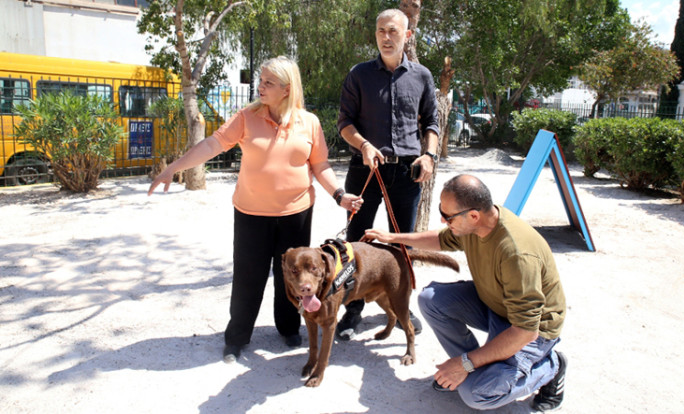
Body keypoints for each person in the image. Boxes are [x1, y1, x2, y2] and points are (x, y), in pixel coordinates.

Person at [148, 56, 363, 363]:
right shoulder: (246, 117)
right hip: (251, 214)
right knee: (248, 276)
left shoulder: (309, 123)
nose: (260, 87)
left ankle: (289, 328)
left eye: (267, 83)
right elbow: (212, 145)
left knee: (291, 274)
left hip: (296, 213)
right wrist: (174, 167)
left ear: (287, 89)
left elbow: (320, 165)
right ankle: (236, 338)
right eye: (260, 81)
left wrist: (339, 194)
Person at [362, 174, 567, 411]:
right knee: (431, 300)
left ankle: (551, 367)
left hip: (531, 330)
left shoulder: (516, 254)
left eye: (448, 216)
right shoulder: (475, 225)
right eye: (442, 210)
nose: (442, 219)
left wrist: (464, 363)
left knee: (477, 395)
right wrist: (395, 239)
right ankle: (473, 370)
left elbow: (525, 332)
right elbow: (440, 239)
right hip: (497, 306)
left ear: (473, 215)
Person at [335, 8, 440, 341]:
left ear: (407, 35)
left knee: (402, 241)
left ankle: (401, 307)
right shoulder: (359, 74)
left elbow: (432, 124)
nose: (386, 36)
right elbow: (344, 124)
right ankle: (352, 310)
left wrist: (429, 155)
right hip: (365, 169)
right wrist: (364, 145)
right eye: (381, 31)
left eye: (393, 30)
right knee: (356, 241)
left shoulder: (422, 76)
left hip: (407, 173)